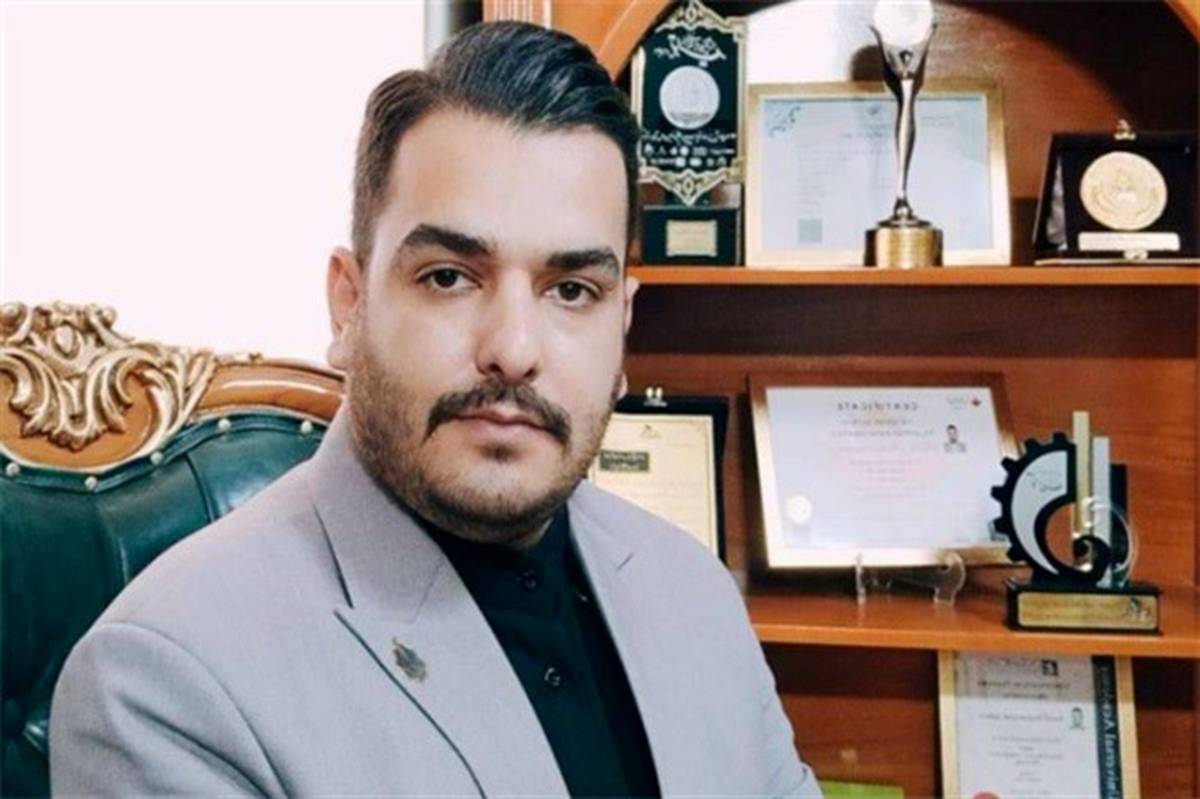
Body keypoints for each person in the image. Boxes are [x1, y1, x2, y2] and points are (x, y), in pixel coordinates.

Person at [50, 21, 820, 797]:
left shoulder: (695, 589)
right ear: (348, 305)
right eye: (450, 277)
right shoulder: (164, 682)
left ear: (622, 322)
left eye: (571, 290)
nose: (513, 349)